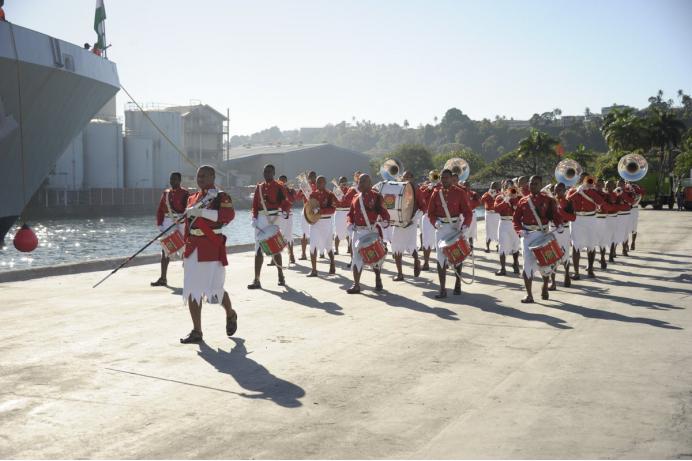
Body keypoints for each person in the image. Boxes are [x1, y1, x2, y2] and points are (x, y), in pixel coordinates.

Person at [180, 165, 237, 344]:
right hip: (193, 248)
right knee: (191, 289)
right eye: (198, 176)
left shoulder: (220, 197)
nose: (200, 179)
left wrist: (201, 212)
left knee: (215, 291)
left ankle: (230, 313)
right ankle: (197, 331)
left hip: (211, 247)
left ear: (213, 176)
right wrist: (184, 249)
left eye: (204, 175)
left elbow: (227, 216)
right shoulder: (192, 198)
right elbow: (188, 226)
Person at [513, 175, 563, 303]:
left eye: (536, 183)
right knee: (527, 265)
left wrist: (559, 225)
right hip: (527, 235)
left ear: (541, 185)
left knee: (545, 264)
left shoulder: (548, 200)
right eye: (531, 183)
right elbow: (516, 219)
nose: (533, 186)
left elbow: (555, 215)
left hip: (543, 234)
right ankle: (529, 295)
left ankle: (545, 286)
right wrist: (519, 230)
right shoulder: (523, 201)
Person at [427, 169, 473, 299]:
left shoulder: (460, 192)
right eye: (442, 178)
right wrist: (434, 222)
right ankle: (442, 289)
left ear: (451, 178)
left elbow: (468, 212)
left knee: (456, 256)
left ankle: (457, 284)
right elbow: (430, 212)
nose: (444, 180)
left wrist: (465, 225)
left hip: (454, 227)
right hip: (441, 228)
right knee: (440, 257)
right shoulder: (436, 193)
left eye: (446, 178)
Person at [248, 164, 290, 290]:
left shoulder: (279, 186)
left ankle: (280, 275)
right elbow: (255, 204)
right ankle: (256, 279)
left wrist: (285, 211)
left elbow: (285, 202)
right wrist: (254, 218)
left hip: (274, 218)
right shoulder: (259, 187)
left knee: (275, 247)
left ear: (273, 173)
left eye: (269, 172)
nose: (267, 174)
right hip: (260, 219)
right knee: (258, 249)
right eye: (265, 172)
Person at [346, 174, 389, 294]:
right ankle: (356, 284)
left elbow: (384, 212)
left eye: (363, 181)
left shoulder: (377, 196)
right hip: (357, 232)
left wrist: (386, 220)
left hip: (371, 231)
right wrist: (349, 223)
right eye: (359, 181)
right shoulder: (355, 197)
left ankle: (378, 277)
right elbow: (350, 214)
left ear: (369, 184)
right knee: (356, 258)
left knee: (375, 258)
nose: (359, 183)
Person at [151, 172, 189, 287]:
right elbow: (160, 210)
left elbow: (189, 210)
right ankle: (163, 278)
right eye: (171, 179)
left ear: (180, 180)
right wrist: (160, 224)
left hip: (181, 222)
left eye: (175, 179)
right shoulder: (166, 193)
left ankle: (189, 279)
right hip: (167, 223)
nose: (172, 181)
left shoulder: (185, 193)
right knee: (165, 249)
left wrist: (183, 219)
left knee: (185, 250)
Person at [567, 175, 604, 278]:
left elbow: (600, 202)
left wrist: (591, 190)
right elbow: (568, 200)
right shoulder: (573, 190)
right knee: (576, 245)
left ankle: (590, 269)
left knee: (591, 245)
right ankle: (576, 272)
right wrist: (578, 191)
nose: (587, 182)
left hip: (591, 219)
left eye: (589, 180)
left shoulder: (593, 191)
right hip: (577, 219)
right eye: (584, 179)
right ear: (580, 180)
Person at [390, 171, 422, 281]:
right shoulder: (398, 188)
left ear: (413, 178)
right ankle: (400, 274)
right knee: (396, 247)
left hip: (411, 222)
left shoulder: (417, 190)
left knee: (411, 245)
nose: (407, 178)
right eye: (405, 177)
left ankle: (416, 261)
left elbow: (423, 206)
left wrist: (413, 219)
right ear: (402, 178)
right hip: (397, 222)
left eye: (409, 176)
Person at [307, 176, 337, 277]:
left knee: (328, 245)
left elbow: (333, 209)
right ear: (316, 183)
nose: (320, 184)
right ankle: (314, 270)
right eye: (318, 182)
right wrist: (309, 217)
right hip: (315, 222)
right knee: (312, 245)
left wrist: (321, 211)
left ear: (325, 183)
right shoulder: (312, 194)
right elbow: (309, 208)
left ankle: (332, 264)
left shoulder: (330, 194)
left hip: (327, 222)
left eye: (322, 182)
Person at [550, 182, 575, 289]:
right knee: (552, 255)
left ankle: (567, 275)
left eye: (561, 189)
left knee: (565, 253)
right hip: (552, 229)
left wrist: (560, 211)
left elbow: (573, 218)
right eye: (556, 189)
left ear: (564, 191)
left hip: (564, 229)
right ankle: (553, 282)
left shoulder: (569, 202)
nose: (558, 191)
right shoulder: (550, 201)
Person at [493, 181, 521, 276]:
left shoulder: (517, 197)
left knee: (516, 245)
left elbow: (520, 209)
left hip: (514, 223)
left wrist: (515, 198)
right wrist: (506, 200)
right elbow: (496, 209)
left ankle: (515, 264)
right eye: (506, 186)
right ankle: (503, 268)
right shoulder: (499, 197)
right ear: (503, 187)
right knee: (502, 245)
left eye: (511, 186)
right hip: (504, 223)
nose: (509, 188)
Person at [418, 171, 440, 271]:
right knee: (426, 241)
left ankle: (445, 262)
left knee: (441, 240)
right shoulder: (425, 188)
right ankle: (426, 263)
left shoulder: (442, 186)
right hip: (427, 217)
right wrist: (428, 189)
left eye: (436, 176)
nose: (434, 178)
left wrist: (438, 186)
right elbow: (420, 197)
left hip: (440, 217)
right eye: (433, 176)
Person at [277, 174, 298, 264]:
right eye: (280, 180)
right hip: (278, 213)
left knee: (289, 235)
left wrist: (288, 191)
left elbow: (293, 200)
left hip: (289, 214)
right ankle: (276, 255)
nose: (282, 182)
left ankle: (291, 254)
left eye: (284, 180)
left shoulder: (291, 189)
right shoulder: (276, 189)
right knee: (278, 235)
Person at [298, 170, 318, 260]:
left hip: (314, 211)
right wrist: (301, 189)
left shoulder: (318, 187)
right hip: (305, 210)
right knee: (304, 233)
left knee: (316, 232)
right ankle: (303, 254)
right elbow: (297, 198)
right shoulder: (304, 186)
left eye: (313, 176)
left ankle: (319, 252)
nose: (311, 178)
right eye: (310, 177)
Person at [333, 176, 354, 255]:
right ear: (339, 183)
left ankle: (349, 248)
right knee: (338, 231)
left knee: (348, 230)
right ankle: (336, 249)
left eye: (345, 181)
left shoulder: (350, 190)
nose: (343, 183)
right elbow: (338, 201)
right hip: (339, 212)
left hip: (348, 211)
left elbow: (349, 200)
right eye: (341, 181)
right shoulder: (335, 190)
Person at [616, 179, 636, 256]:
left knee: (625, 233)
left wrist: (623, 194)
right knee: (616, 233)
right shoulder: (615, 192)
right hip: (617, 214)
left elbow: (632, 201)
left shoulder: (628, 193)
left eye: (621, 184)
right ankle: (613, 250)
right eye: (618, 184)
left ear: (624, 185)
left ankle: (624, 249)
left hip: (626, 214)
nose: (619, 186)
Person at [481, 182, 501, 253]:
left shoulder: (500, 194)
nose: (493, 187)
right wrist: (489, 194)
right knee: (488, 230)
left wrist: (497, 195)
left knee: (498, 230)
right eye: (492, 186)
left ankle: (499, 246)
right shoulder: (487, 193)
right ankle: (487, 247)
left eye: (495, 186)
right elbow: (482, 200)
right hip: (489, 214)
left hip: (497, 214)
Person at [460, 181, 480, 248]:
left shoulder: (473, 194)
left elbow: (478, 203)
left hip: (472, 214)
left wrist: (471, 203)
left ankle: (471, 246)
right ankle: (464, 247)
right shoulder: (461, 194)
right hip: (464, 215)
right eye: (465, 185)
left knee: (472, 231)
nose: (466, 187)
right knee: (464, 231)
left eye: (468, 185)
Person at [627, 181, 645, 250]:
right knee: (626, 227)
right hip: (626, 210)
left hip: (634, 209)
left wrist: (635, 189)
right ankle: (626, 244)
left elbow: (641, 193)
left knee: (634, 227)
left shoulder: (636, 187)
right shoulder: (625, 186)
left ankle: (633, 242)